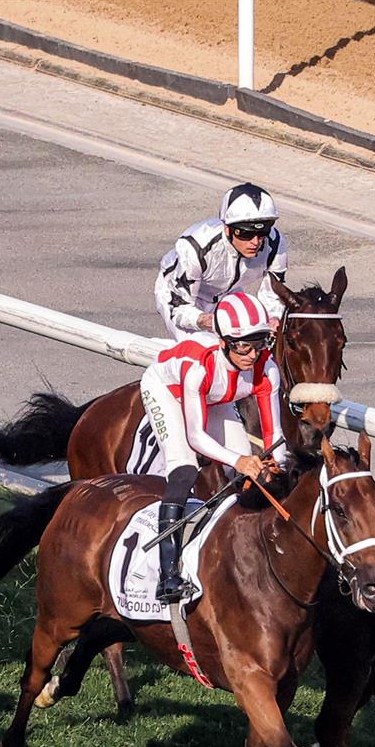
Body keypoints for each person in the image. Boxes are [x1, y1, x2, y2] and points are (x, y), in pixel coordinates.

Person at [140, 292, 290, 603]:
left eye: (260, 342)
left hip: (216, 396)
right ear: (223, 342)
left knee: (250, 474)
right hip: (168, 390)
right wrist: (241, 459)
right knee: (184, 470)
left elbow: (274, 432)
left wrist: (277, 464)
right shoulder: (201, 366)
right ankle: (168, 575)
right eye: (243, 345)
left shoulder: (267, 368)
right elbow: (195, 437)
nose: (252, 354)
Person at [154, 182, 288, 344]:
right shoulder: (195, 248)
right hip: (180, 298)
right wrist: (210, 321)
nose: (255, 242)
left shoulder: (275, 243)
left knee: (258, 343)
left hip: (227, 292)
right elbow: (179, 308)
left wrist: (272, 318)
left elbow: (272, 295)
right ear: (227, 229)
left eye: (262, 233)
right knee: (209, 348)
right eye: (245, 234)